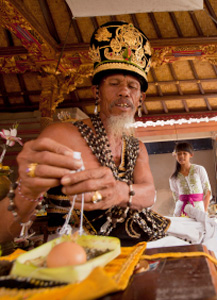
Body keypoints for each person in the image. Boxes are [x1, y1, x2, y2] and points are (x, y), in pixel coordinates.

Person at [0, 21, 170, 247]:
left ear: (140, 99)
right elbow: (5, 232)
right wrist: (26, 191)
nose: (124, 91)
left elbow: (149, 194)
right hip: (75, 258)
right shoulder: (62, 135)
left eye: (132, 86)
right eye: (114, 83)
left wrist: (118, 191)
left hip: (134, 247)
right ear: (96, 92)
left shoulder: (136, 147)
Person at [169, 142, 212, 217]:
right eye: (179, 154)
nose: (181, 156)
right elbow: (176, 197)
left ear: (191, 155)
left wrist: (204, 212)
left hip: (198, 209)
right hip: (181, 210)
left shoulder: (199, 169)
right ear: (176, 156)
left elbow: (207, 191)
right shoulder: (173, 178)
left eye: (184, 153)